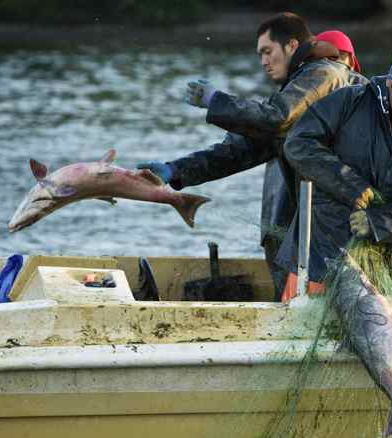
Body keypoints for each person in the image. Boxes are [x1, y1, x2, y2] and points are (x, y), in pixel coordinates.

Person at [138, 13, 367, 300]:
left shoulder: (326, 74)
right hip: (307, 224)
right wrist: (174, 170)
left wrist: (215, 100)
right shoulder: (300, 90)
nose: (263, 62)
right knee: (295, 295)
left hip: (337, 225)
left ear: (292, 46)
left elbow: (276, 118)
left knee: (315, 301)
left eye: (267, 51)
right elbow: (240, 149)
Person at [280, 37, 392, 302]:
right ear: (390, 82)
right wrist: (351, 185)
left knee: (380, 336)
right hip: (319, 259)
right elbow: (298, 143)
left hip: (385, 274)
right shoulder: (348, 102)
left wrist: (378, 222)